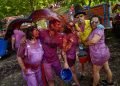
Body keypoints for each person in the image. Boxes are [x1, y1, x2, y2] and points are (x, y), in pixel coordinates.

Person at [85, 15, 113, 86]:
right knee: (107, 68)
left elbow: (94, 41)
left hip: (99, 55)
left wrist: (86, 43)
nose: (94, 23)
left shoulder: (99, 30)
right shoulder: (96, 29)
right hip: (103, 53)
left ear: (99, 22)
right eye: (92, 22)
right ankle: (109, 82)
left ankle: (94, 84)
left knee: (96, 72)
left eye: (96, 22)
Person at [39, 19, 69, 86]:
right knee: (50, 79)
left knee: (61, 75)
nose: (60, 26)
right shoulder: (42, 33)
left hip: (55, 60)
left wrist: (66, 62)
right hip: (45, 61)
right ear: (52, 25)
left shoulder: (59, 36)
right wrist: (24, 38)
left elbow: (63, 50)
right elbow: (31, 36)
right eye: (58, 24)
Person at [74, 8, 92, 77]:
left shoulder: (90, 22)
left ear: (84, 16)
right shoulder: (76, 25)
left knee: (91, 60)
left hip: (90, 45)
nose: (79, 18)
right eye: (77, 17)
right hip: (82, 45)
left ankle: (93, 73)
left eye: (81, 16)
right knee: (82, 60)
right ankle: (83, 72)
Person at [63, 21, 80, 86]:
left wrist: (78, 37)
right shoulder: (65, 36)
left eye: (73, 26)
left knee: (73, 70)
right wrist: (65, 62)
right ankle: (78, 84)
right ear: (67, 27)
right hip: (68, 57)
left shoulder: (74, 34)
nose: (72, 27)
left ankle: (72, 81)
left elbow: (78, 44)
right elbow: (63, 50)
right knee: (73, 71)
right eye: (70, 26)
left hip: (73, 56)